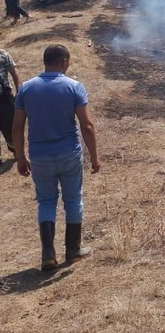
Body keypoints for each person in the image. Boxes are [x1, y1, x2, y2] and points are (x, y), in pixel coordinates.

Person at [14, 44, 100, 271]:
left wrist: (20, 157)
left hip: (40, 157)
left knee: (46, 202)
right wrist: (94, 157)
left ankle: (48, 255)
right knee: (73, 200)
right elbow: (86, 125)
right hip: (69, 154)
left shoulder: (26, 89)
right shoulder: (74, 87)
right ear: (63, 62)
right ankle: (73, 250)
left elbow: (17, 127)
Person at [0, 48, 21, 160]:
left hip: (4, 98)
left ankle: (16, 151)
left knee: (10, 128)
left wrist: (19, 90)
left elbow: (14, 72)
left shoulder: (3, 54)